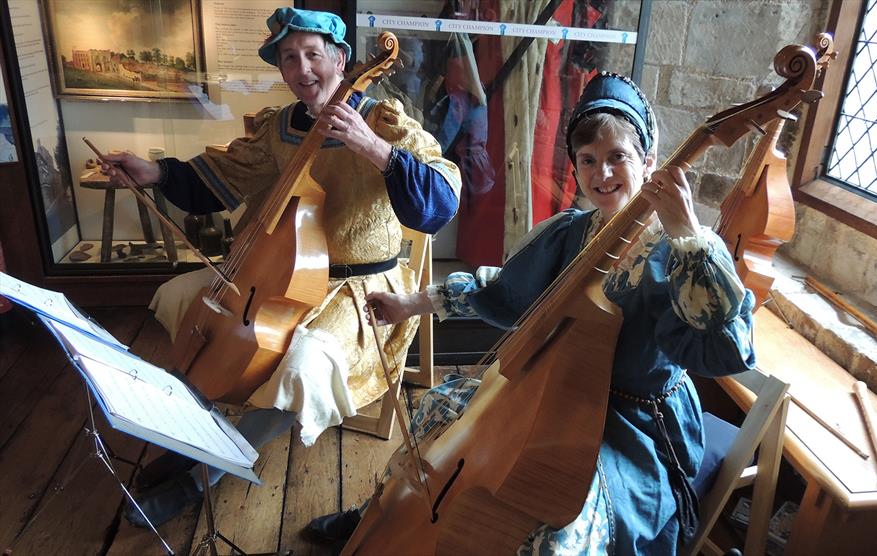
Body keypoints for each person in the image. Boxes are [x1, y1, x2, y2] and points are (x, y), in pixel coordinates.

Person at [305, 72, 757, 554]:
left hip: (630, 425)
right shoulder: (570, 231)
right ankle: (382, 515)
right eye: (588, 161)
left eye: (617, 157)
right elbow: (502, 291)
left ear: (648, 161)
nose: (602, 175)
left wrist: (687, 232)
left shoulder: (684, 248)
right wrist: (410, 303)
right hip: (550, 391)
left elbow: (728, 350)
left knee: (557, 531)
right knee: (439, 411)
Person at [102, 7, 461, 528]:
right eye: (290, 59)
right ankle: (193, 434)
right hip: (273, 274)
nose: (303, 69)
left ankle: (210, 467)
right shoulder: (280, 126)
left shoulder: (383, 120)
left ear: (341, 59)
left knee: (301, 367)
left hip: (357, 290)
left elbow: (443, 197)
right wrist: (154, 171)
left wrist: (374, 147)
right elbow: (223, 173)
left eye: (314, 54)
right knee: (182, 296)